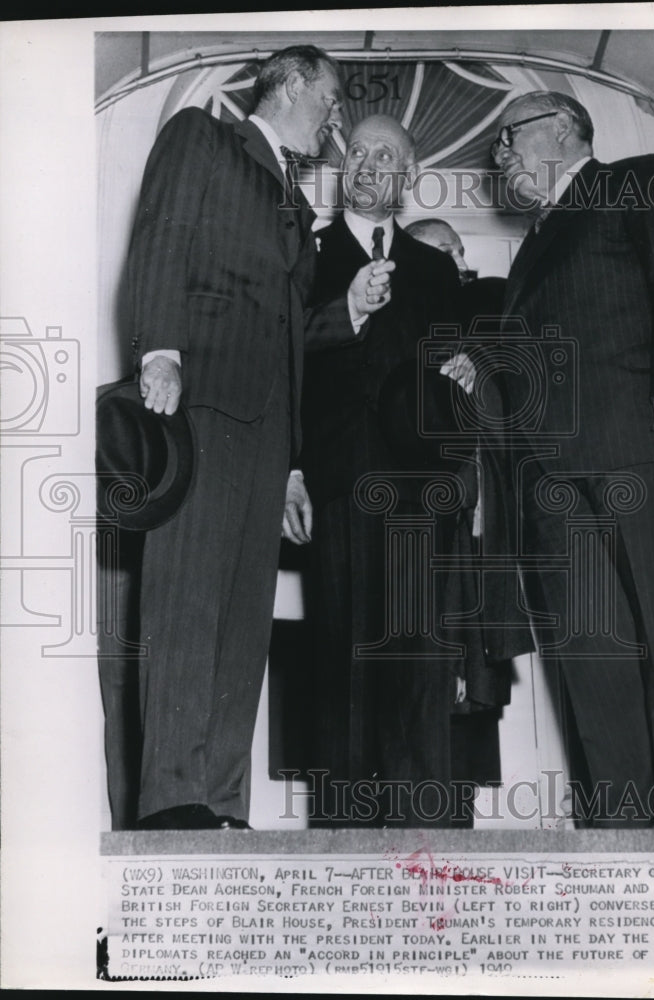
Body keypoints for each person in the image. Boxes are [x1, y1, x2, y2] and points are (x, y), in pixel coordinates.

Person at [120, 45, 390, 831]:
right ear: (295, 80)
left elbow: (288, 334)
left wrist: (347, 312)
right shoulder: (203, 139)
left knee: (243, 623)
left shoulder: (294, 206)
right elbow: (163, 237)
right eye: (332, 97)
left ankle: (222, 802)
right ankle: (172, 799)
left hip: (270, 437)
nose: (335, 116)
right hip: (199, 407)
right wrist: (159, 350)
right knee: (185, 603)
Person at [492, 90, 654, 827]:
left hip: (649, 444)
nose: (502, 156)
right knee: (589, 658)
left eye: (510, 138)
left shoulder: (641, 176)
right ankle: (619, 823)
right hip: (556, 480)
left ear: (563, 129)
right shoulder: (538, 241)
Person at [286, 115, 532, 828]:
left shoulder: (434, 269)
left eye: (385, 154)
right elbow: (276, 363)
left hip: (425, 499)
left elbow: (483, 358)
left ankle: (427, 845)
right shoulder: (303, 250)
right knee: (342, 671)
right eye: (357, 151)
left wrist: (473, 365)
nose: (368, 163)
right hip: (337, 490)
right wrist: (290, 473)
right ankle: (345, 846)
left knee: (422, 672)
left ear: (407, 174)